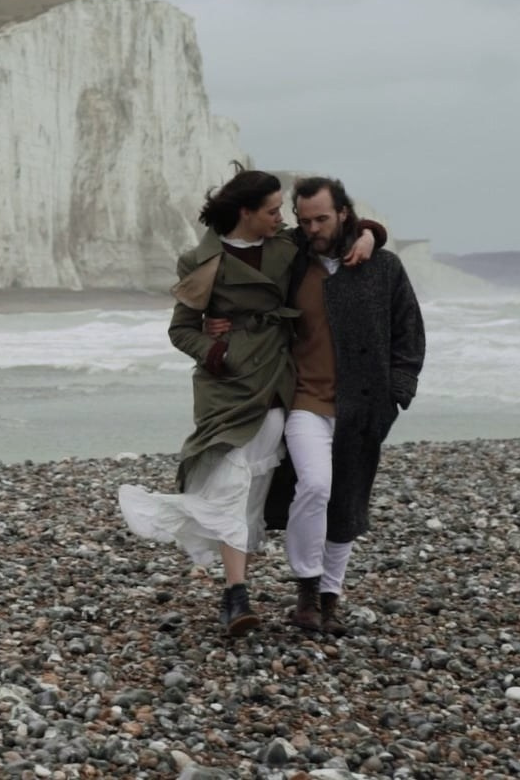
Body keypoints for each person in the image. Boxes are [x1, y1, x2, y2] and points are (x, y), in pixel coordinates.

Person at [118, 166, 384, 636]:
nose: (282, 218)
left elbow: (331, 233)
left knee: (250, 487)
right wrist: (215, 349)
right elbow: (181, 329)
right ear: (246, 213)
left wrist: (368, 233)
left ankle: (239, 593)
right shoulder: (202, 260)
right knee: (227, 478)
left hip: (276, 382)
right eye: (272, 210)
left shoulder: (286, 246)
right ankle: (235, 593)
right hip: (226, 387)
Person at [244, 176, 425, 636]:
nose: (313, 228)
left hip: (363, 405)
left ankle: (330, 598)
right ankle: (306, 590)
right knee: (316, 487)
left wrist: (397, 393)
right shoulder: (292, 261)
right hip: (305, 399)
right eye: (304, 220)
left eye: (322, 218)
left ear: (344, 212)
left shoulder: (381, 266)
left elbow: (409, 331)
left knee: (346, 500)